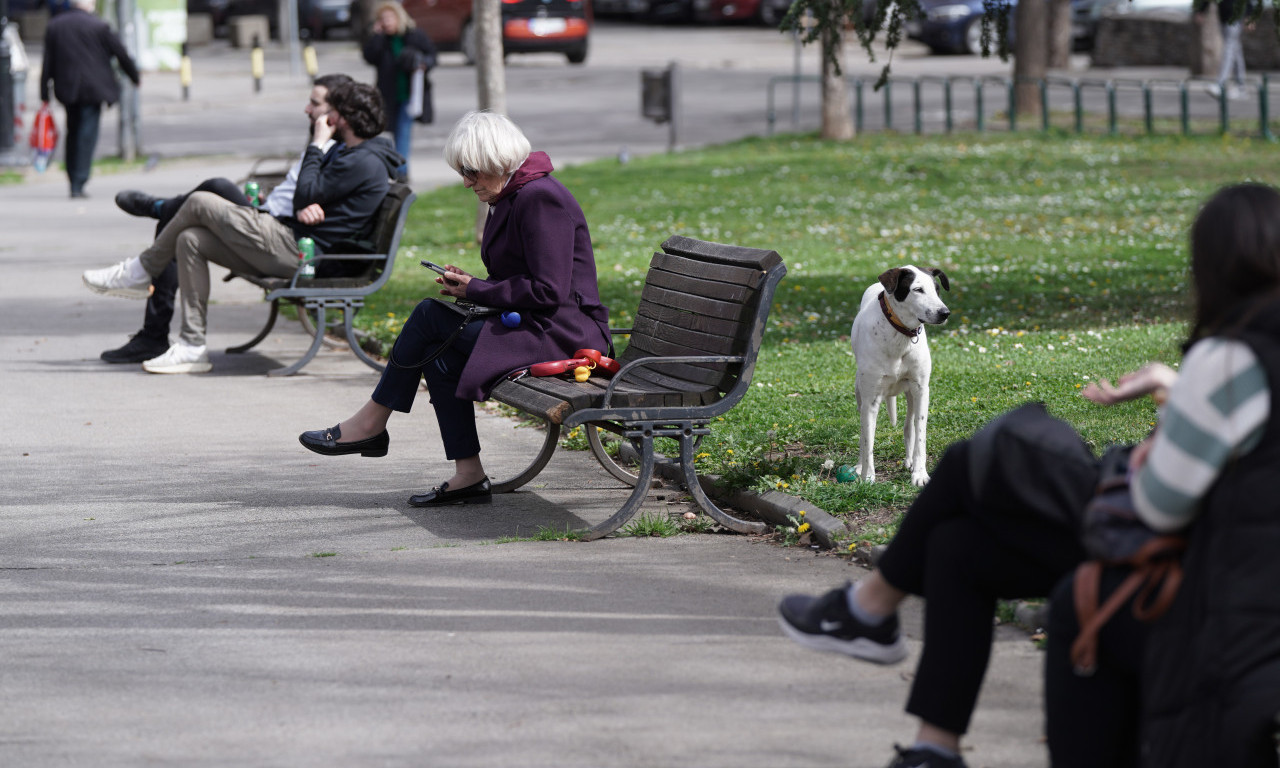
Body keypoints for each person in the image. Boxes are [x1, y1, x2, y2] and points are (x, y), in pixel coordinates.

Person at [1045, 183, 1280, 768]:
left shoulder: (1231, 356)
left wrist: (1164, 425)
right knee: (960, 539)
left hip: (1240, 624)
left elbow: (1161, 506)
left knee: (1079, 602)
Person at [297, 110, 611, 508]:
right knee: (437, 347)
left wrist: (478, 289)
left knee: (431, 319)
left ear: (497, 159)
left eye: (471, 171)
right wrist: (473, 286)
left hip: (567, 336)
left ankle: (372, 423)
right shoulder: (515, 194)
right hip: (540, 327)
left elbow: (549, 291)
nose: (466, 182)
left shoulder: (540, 198)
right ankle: (468, 475)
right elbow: (527, 281)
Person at [81, 82, 402, 375]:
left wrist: (318, 146)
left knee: (201, 202)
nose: (323, 115)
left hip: (299, 252)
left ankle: (141, 270)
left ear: (343, 117)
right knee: (191, 239)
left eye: (330, 109)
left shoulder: (362, 161)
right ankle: (192, 347)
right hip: (290, 240)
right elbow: (308, 197)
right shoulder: (355, 154)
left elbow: (306, 193)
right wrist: (309, 198)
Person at [39, 0, 140, 198]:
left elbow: (47, 62)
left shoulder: (55, 25)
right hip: (94, 89)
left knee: (73, 131)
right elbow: (121, 53)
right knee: (87, 134)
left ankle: (73, 178)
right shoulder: (99, 26)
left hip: (67, 89)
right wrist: (135, 76)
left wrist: (44, 92)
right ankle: (79, 180)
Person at [362, 0, 436, 179]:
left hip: (410, 94)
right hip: (388, 94)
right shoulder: (382, 40)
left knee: (403, 131)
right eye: (383, 19)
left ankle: (401, 171)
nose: (387, 22)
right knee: (393, 132)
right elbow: (369, 57)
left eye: (389, 18)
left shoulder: (414, 35)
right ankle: (399, 168)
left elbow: (432, 56)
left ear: (399, 17)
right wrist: (376, 35)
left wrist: (423, 63)